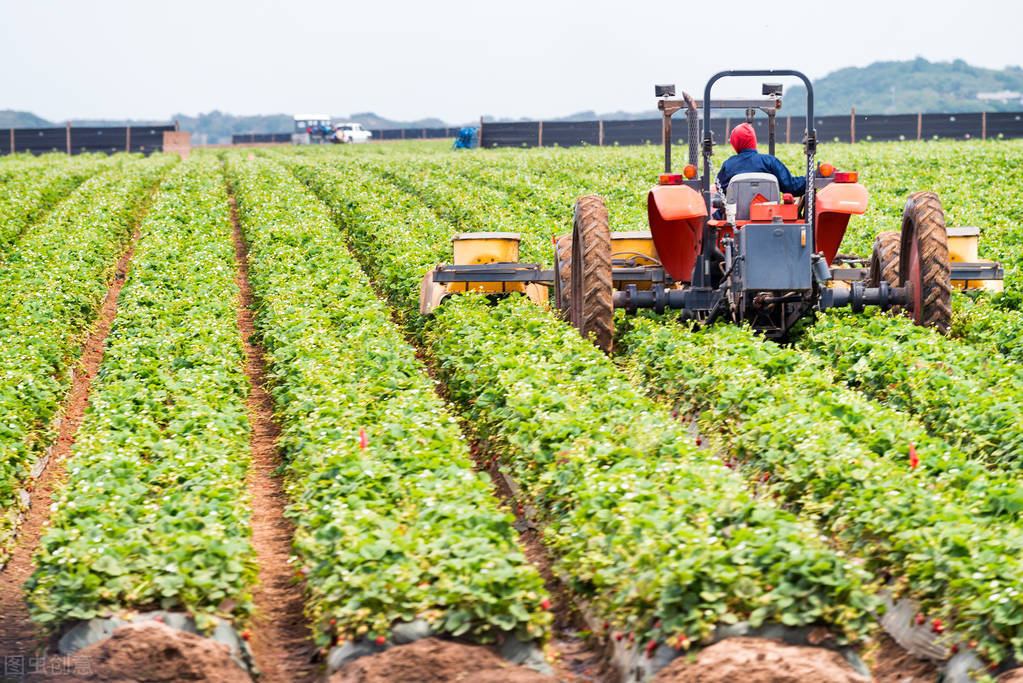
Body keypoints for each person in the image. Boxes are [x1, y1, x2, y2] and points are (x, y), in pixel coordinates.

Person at [716, 122, 806, 197]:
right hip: (769, 216)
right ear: (753, 140)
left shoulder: (728, 165)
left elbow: (720, 191)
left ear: (735, 143)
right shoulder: (770, 162)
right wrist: (815, 174)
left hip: (735, 216)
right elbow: (792, 187)